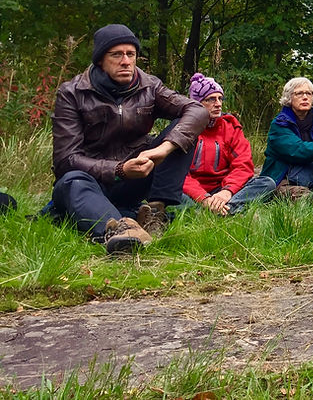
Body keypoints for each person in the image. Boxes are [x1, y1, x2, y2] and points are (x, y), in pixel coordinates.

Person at [51, 24, 209, 254]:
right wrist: (119, 169)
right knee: (70, 180)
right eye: (116, 54)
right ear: (100, 61)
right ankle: (121, 230)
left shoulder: (149, 86)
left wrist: (164, 149)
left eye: (130, 54)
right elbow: (66, 160)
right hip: (93, 183)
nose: (125, 61)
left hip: (137, 178)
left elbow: (197, 111)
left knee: (184, 131)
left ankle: (155, 212)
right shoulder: (72, 93)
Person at [181, 73, 276, 215]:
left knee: (267, 183)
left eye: (220, 98)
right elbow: (178, 173)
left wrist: (227, 192)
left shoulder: (231, 128)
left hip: (222, 189)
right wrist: (203, 197)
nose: (218, 104)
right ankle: (222, 211)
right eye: (211, 99)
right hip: (192, 192)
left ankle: (214, 211)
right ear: (197, 103)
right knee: (167, 191)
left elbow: (243, 166)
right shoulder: (183, 128)